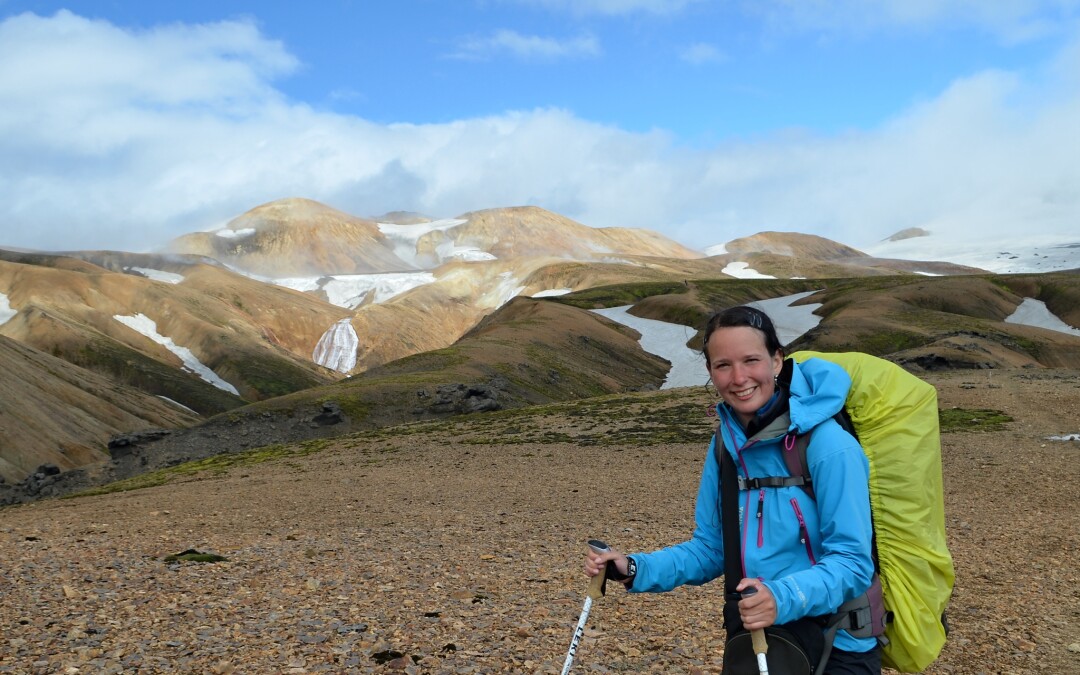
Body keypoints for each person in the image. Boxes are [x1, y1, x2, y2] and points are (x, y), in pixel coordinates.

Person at [585, 305, 881, 674]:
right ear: (710, 372)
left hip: (837, 645)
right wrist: (632, 568)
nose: (739, 378)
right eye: (723, 365)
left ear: (776, 361)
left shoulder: (829, 446)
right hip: (758, 636)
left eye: (751, 360)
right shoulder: (726, 445)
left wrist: (781, 597)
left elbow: (853, 563)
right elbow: (711, 549)